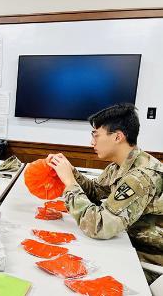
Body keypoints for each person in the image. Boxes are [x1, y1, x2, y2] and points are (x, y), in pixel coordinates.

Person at [47, 103, 162, 283]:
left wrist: (70, 182)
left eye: (96, 135)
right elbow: (95, 192)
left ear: (117, 137)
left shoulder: (140, 177)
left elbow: (98, 226)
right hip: (124, 244)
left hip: (143, 261)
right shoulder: (120, 165)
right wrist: (70, 170)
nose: (91, 142)